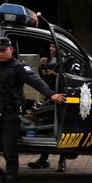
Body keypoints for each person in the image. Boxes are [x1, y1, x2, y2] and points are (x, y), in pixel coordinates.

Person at [0, 37, 66, 183]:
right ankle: (1, 178)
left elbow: (36, 81)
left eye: (3, 50)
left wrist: (51, 94)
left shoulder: (19, 67)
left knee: (9, 154)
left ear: (11, 50)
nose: (0, 53)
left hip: (9, 116)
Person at [27, 43, 67, 172]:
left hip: (60, 96)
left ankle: (62, 160)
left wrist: (55, 74)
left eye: (53, 47)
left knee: (61, 126)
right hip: (49, 95)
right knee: (47, 125)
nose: (51, 49)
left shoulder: (67, 60)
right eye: (50, 46)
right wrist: (41, 66)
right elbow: (43, 77)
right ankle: (43, 159)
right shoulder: (50, 59)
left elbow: (70, 77)